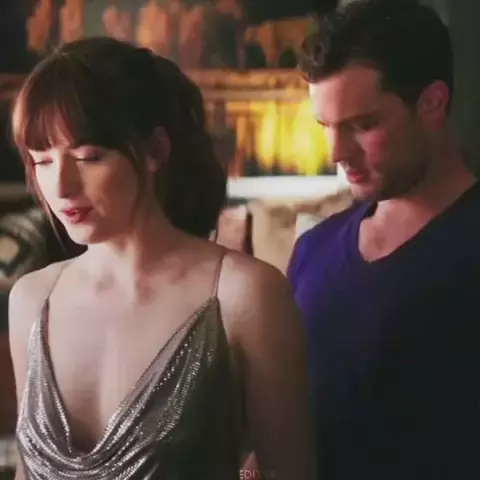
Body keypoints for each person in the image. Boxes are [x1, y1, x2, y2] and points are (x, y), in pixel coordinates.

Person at [8, 37, 315, 480]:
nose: (61, 187)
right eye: (42, 161)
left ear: (155, 150)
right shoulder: (31, 299)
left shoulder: (244, 295)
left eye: (88, 157)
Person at [288, 1, 480, 479]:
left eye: (363, 124)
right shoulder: (313, 250)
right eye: (326, 127)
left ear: (433, 103)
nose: (336, 153)